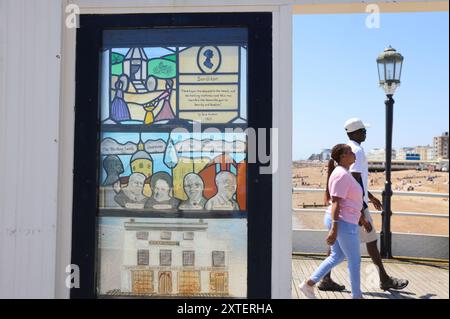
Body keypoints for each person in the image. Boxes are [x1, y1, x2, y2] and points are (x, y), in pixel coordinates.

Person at [319, 118, 408, 292]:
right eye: (363, 131)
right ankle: (384, 280)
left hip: (351, 205)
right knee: (371, 241)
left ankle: (325, 279)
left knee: (337, 245)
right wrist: (362, 212)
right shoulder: (356, 150)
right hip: (355, 207)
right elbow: (355, 181)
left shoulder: (347, 149)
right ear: (355, 132)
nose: (365, 133)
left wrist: (371, 197)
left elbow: (353, 182)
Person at [299, 144, 365, 299]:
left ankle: (308, 284)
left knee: (337, 256)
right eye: (350, 152)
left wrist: (360, 217)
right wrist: (334, 228)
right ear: (342, 157)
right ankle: (357, 296)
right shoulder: (341, 174)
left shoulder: (344, 172)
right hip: (343, 222)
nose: (353, 154)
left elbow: (349, 200)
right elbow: (336, 202)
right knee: (354, 260)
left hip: (345, 220)